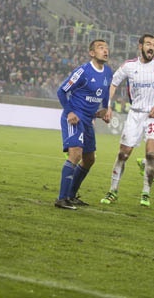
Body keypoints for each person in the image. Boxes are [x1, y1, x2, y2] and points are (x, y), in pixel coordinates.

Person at [100, 34, 154, 208]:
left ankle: (146, 193)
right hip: (134, 115)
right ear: (140, 46)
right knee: (123, 154)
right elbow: (112, 84)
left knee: (150, 154)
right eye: (148, 44)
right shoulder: (129, 66)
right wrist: (107, 105)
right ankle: (113, 191)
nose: (151, 47)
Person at [54, 39, 113, 209]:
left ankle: (71, 196)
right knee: (75, 154)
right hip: (75, 117)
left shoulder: (108, 72)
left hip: (88, 119)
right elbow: (62, 91)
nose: (105, 51)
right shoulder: (83, 71)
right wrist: (70, 111)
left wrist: (105, 110)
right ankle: (61, 198)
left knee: (89, 159)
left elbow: (104, 96)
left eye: (106, 48)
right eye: (101, 48)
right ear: (92, 53)